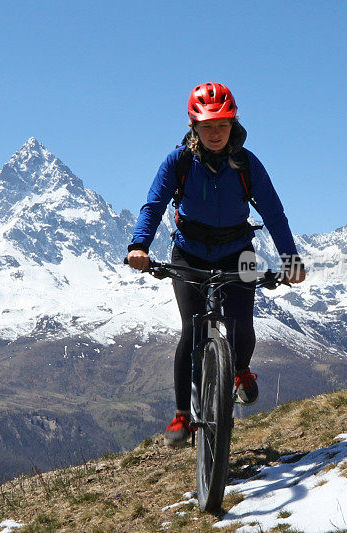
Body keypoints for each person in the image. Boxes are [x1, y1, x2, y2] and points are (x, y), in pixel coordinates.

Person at [127, 82, 306, 447]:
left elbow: (273, 212)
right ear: (194, 125)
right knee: (191, 331)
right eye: (206, 126)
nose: (214, 133)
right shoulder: (178, 162)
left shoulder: (246, 164)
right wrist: (139, 246)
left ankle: (239, 370)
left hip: (238, 253)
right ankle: (181, 415)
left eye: (221, 125)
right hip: (189, 254)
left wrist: (290, 259)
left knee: (240, 323)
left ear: (233, 123)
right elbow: (154, 205)